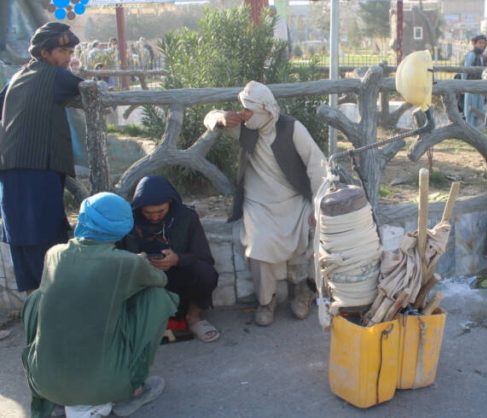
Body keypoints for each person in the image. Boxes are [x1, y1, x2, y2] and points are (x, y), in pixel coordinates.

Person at [22, 192, 178, 418]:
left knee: (37, 298)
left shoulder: (53, 254)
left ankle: (58, 397)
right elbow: (160, 280)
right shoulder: (127, 262)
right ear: (121, 226)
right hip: (104, 386)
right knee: (156, 297)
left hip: (43, 383)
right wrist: (141, 263)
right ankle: (133, 387)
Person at [204, 81, 325, 326]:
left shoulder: (292, 128)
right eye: (242, 108)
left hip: (295, 201)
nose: (243, 113)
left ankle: (306, 291)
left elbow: (317, 166)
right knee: (258, 244)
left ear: (265, 110)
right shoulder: (244, 127)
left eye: (249, 110)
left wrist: (317, 204)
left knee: (320, 234)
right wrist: (220, 117)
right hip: (258, 204)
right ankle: (266, 300)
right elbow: (208, 117)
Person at [0, 22, 83, 293]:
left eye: (70, 51)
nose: (68, 57)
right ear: (45, 53)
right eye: (63, 51)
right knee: (46, 237)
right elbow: (85, 88)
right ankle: (50, 308)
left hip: (10, 169)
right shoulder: (55, 76)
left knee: (21, 236)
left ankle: (34, 310)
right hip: (38, 169)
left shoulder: (17, 77)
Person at [118, 175, 220, 342]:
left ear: (171, 204)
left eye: (161, 211)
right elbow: (115, 258)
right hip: (144, 282)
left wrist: (177, 259)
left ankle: (193, 318)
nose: (155, 217)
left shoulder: (187, 217)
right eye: (148, 212)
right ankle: (143, 322)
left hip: (178, 278)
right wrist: (138, 260)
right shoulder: (128, 220)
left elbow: (204, 257)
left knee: (206, 273)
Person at [462, 34, 487, 128]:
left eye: (483, 43)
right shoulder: (471, 54)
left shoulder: (480, 56)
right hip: (471, 86)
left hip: (479, 86)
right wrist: (463, 84)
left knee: (479, 108)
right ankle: (470, 129)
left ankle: (477, 129)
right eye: (480, 43)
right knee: (470, 109)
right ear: (475, 43)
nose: (482, 45)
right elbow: (466, 70)